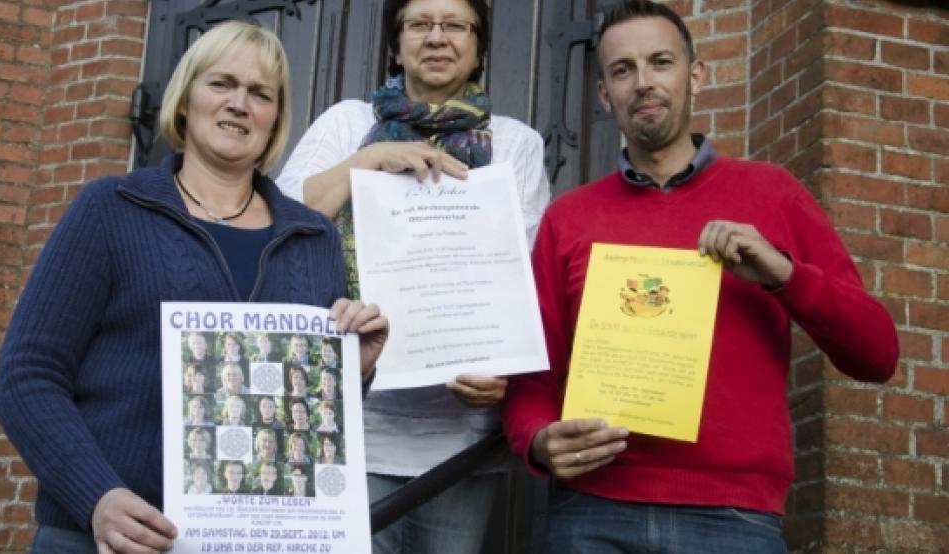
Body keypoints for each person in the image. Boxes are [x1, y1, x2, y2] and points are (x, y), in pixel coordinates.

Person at [501, 2, 900, 552]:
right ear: (604, 95)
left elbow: (877, 354)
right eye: (623, 70)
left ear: (697, 75)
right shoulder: (570, 217)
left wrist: (784, 276)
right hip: (592, 513)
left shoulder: (772, 194)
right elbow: (532, 374)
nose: (643, 83)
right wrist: (539, 440)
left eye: (660, 62)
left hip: (734, 519)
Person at [0, 20, 389, 554]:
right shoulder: (111, 209)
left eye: (259, 93)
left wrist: (351, 370)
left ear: (275, 121)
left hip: (256, 540)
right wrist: (97, 497)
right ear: (185, 101)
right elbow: (28, 376)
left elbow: (305, 420)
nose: (238, 104)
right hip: (108, 539)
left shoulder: (312, 236)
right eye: (221, 83)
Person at [276, 0, 550, 550]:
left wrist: (505, 373)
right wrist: (371, 159)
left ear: (478, 47)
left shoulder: (515, 142)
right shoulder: (350, 124)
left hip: (459, 444)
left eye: (455, 25)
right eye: (420, 24)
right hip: (348, 429)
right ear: (396, 44)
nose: (437, 37)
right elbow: (282, 221)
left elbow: (529, 273)